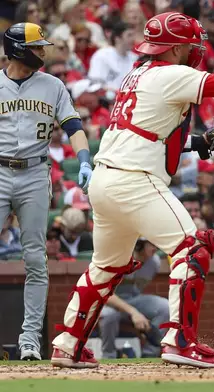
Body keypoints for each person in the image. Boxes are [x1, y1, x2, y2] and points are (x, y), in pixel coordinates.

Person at [50, 11, 214, 369]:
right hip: (134, 179)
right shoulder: (170, 74)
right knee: (194, 247)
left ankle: (68, 344)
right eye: (189, 46)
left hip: (106, 180)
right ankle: (179, 340)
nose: (195, 51)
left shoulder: (136, 74)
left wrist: (200, 143)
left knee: (106, 267)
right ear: (174, 48)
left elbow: (151, 133)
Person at [2, 22, 93, 361]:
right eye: (37, 46)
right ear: (17, 49)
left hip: (35, 173)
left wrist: (84, 158)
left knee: (36, 260)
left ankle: (29, 339)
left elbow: (73, 127)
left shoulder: (52, 85)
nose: (42, 51)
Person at [98, 238, 169, 359]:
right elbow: (105, 293)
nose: (155, 248)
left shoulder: (154, 262)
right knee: (109, 315)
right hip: (107, 303)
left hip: (133, 300)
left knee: (166, 307)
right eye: (151, 244)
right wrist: (133, 313)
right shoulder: (119, 258)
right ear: (138, 245)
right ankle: (108, 356)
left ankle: (150, 353)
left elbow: (135, 292)